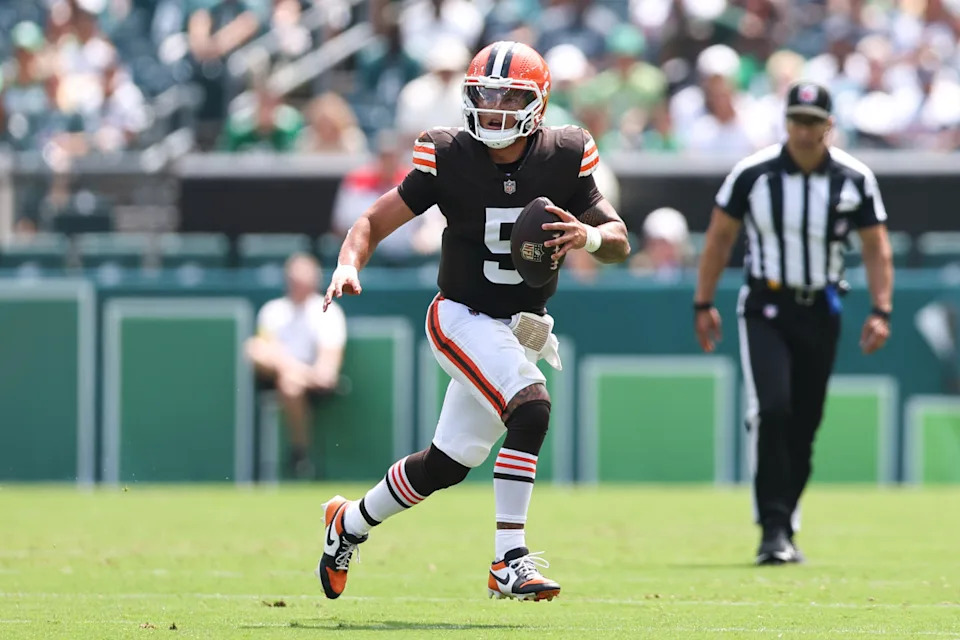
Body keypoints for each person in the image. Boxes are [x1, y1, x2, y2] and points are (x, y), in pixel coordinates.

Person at [318, 41, 630, 601]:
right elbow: (373, 218)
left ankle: (349, 523)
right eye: (485, 95)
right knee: (530, 407)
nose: (494, 108)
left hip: (520, 328)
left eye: (509, 97)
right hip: (460, 315)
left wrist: (589, 236)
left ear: (538, 103)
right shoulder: (448, 153)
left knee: (446, 464)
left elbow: (619, 241)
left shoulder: (565, 153)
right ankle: (508, 560)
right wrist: (347, 262)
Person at [693, 82, 894, 565]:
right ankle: (773, 527)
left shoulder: (854, 177)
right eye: (796, 120)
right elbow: (720, 237)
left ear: (829, 124)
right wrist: (703, 302)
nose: (803, 131)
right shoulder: (754, 173)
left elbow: (875, 245)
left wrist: (882, 309)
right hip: (767, 304)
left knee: (805, 422)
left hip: (821, 307)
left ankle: (785, 520)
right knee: (774, 408)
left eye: (813, 121)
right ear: (785, 122)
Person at [245, 253, 346, 479]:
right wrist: (297, 370)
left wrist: (309, 375)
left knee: (290, 383)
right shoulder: (272, 310)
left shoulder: (329, 312)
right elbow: (263, 350)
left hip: (316, 384)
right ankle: (300, 456)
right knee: (256, 349)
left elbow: (328, 367)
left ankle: (299, 453)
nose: (298, 282)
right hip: (281, 376)